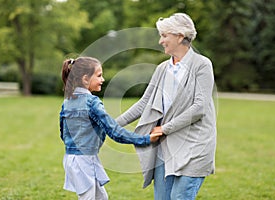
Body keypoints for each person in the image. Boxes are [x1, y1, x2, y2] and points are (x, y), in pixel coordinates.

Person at [116, 13, 217, 200]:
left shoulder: (202, 65)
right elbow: (144, 104)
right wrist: (111, 124)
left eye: (164, 35)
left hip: (194, 147)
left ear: (180, 36)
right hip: (165, 149)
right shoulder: (162, 68)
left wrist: (164, 128)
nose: (160, 41)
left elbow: (199, 108)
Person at [59, 56, 162, 200]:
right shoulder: (92, 102)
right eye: (99, 75)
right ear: (85, 79)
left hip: (72, 158)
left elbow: (63, 133)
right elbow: (115, 132)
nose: (103, 79)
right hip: (84, 160)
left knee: (101, 197)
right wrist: (145, 139)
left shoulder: (67, 102)